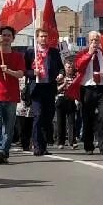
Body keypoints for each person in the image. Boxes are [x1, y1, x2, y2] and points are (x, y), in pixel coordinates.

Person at [0, 24, 26, 165]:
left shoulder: (18, 56)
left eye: (8, 35)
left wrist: (8, 71)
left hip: (11, 96)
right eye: (4, 35)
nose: (6, 38)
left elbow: (20, 74)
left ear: (13, 38)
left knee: (9, 126)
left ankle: (4, 150)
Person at [72, 32, 103, 155]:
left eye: (96, 40)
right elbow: (78, 66)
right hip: (88, 88)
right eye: (92, 40)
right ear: (88, 41)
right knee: (88, 117)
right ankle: (88, 146)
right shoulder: (83, 53)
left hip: (102, 87)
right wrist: (89, 54)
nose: (94, 42)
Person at [26, 27, 64, 156]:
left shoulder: (53, 52)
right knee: (38, 116)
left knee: (47, 118)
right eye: (41, 36)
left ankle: (44, 145)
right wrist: (32, 73)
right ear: (37, 38)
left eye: (46, 36)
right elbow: (25, 70)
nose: (44, 39)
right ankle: (37, 145)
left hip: (49, 87)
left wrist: (60, 75)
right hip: (36, 88)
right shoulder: (31, 52)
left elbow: (61, 68)